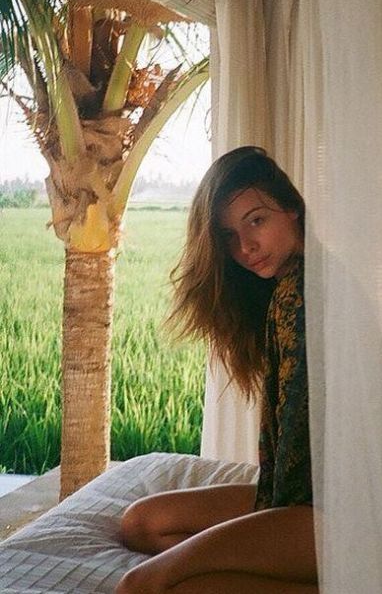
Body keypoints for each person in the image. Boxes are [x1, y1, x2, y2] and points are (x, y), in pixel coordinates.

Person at [115, 146, 318, 594]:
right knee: (142, 523)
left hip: (330, 515)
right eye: (228, 235)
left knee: (144, 585)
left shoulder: (303, 294)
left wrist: (264, 530)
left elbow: (308, 452)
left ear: (292, 209)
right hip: (291, 497)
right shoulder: (288, 286)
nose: (245, 247)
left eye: (256, 220)